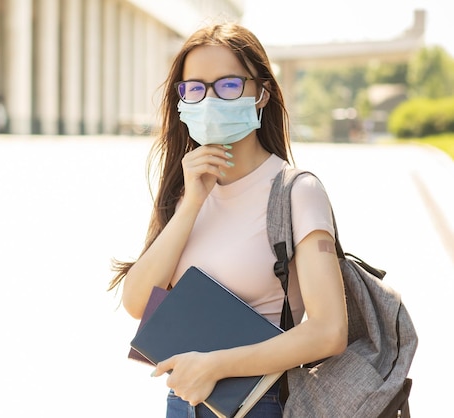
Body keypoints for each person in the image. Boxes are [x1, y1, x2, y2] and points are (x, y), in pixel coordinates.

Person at [108, 22, 348, 417]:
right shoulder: (184, 190)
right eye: (196, 88)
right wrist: (191, 204)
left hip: (260, 402)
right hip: (183, 403)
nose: (210, 100)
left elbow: (329, 330)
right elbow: (137, 303)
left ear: (262, 93)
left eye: (228, 86)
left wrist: (215, 365)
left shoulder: (296, 192)